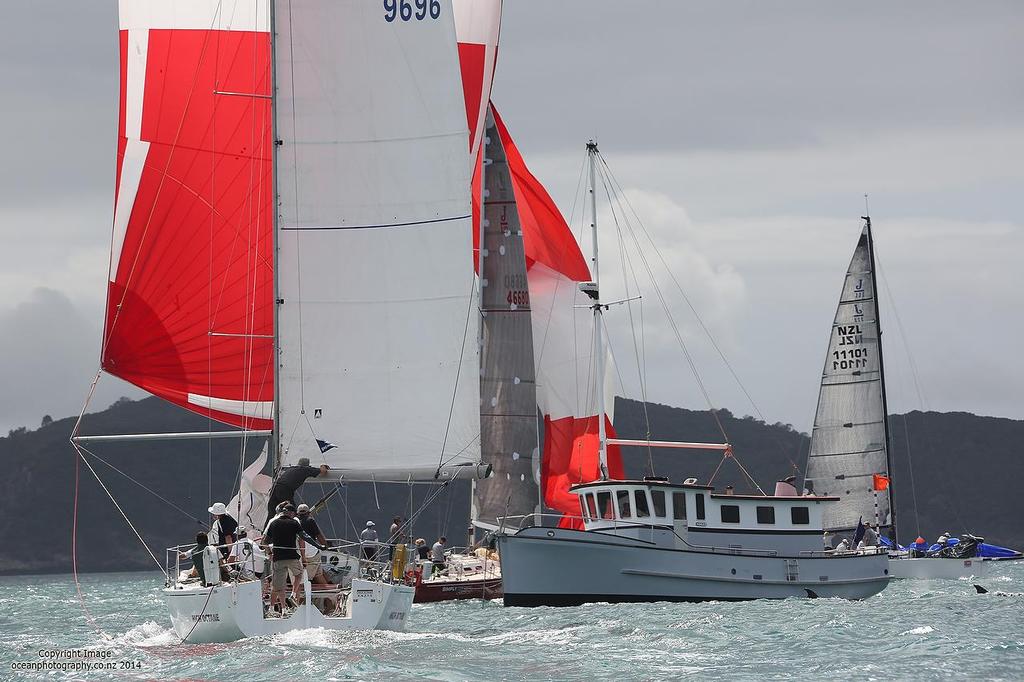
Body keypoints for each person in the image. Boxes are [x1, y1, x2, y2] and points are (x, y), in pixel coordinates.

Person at [264, 503, 306, 615]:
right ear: (291, 513)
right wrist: (317, 546)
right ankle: (292, 594)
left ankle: (281, 609)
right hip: (292, 556)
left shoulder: (273, 522)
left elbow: (264, 541)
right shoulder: (294, 523)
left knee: (278, 586)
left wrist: (270, 553)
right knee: (298, 574)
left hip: (278, 558)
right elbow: (304, 538)